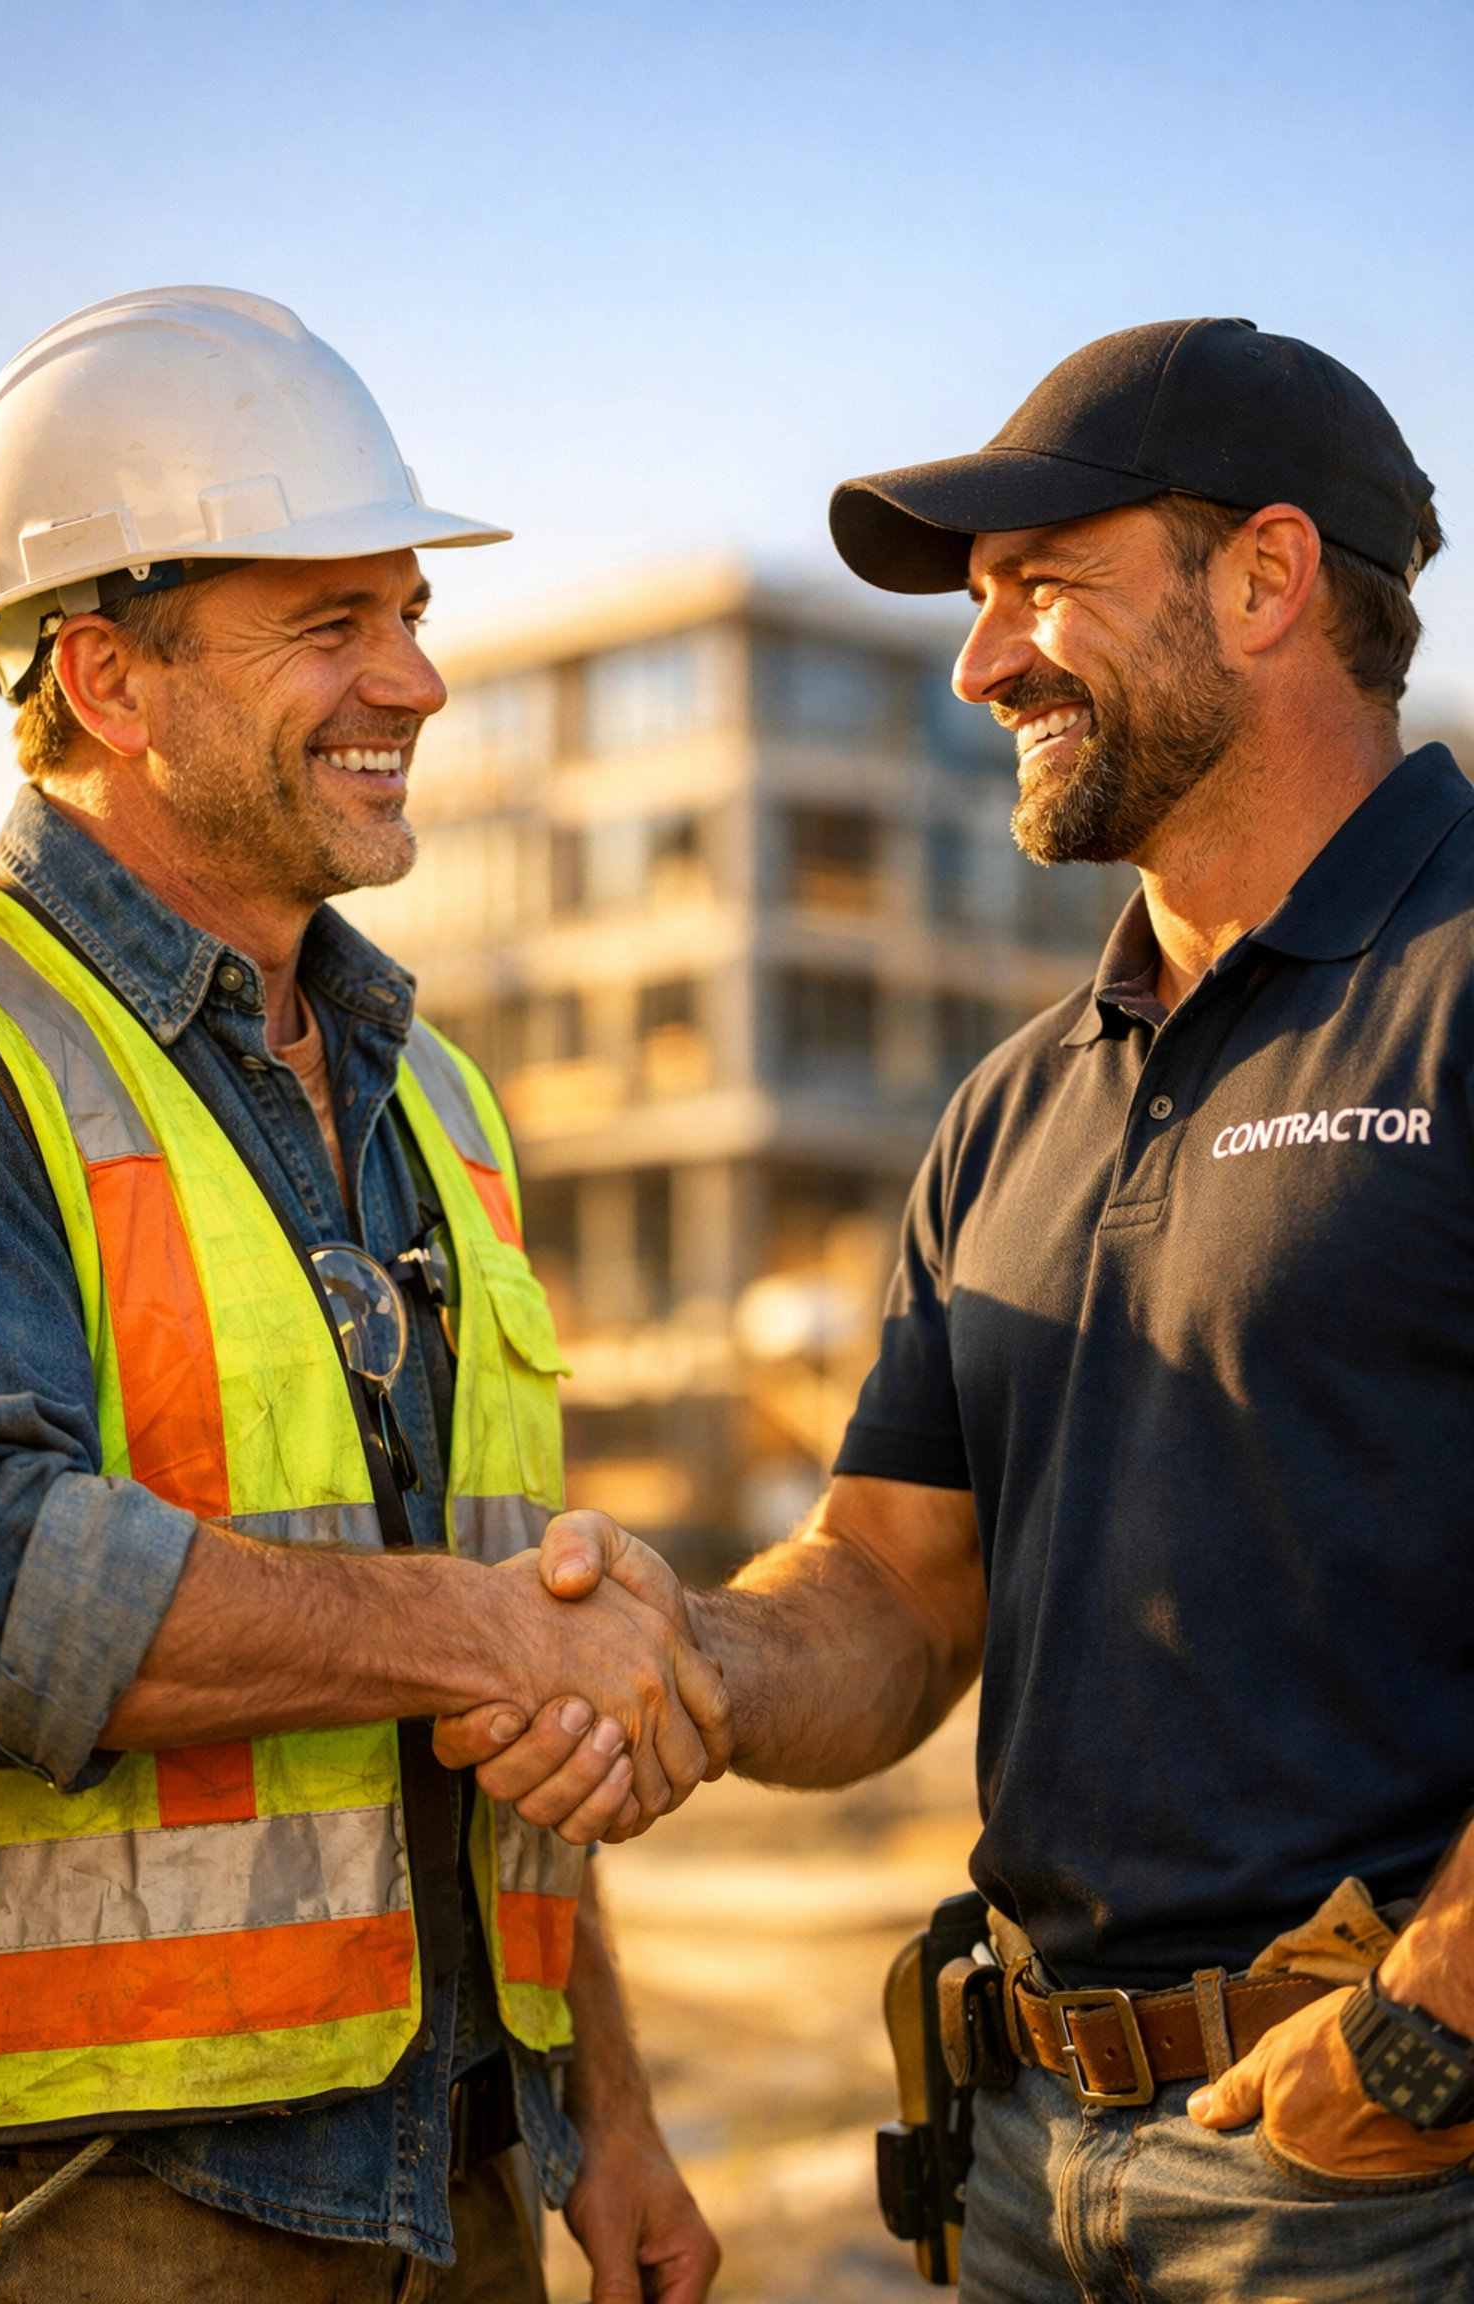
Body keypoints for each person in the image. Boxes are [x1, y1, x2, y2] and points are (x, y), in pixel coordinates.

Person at [441, 320, 1474, 2301]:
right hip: (1024, 2179)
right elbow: (904, 1593)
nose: (978, 662)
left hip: (1383, 2189)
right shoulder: (1012, 1108)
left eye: (1039, 588)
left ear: (1264, 579)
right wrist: (694, 1665)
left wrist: (1425, 2040)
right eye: (978, 605)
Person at [0, 286, 725, 2304]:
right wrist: (484, 1634)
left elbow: (505, 1631)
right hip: (96, 2220)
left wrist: (609, 2115)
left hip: (463, 2180)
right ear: (108, 680)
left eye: (413, 613)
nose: (418, 682)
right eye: (332, 626)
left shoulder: (434, 1097)